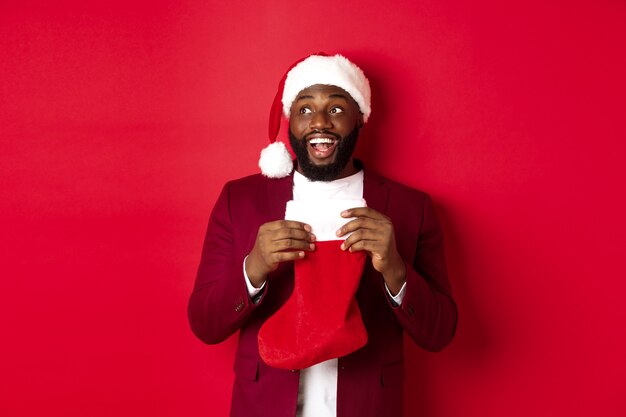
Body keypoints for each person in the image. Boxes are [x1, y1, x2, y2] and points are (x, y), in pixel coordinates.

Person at [188, 53, 457, 417]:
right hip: (265, 405)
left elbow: (439, 332)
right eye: (305, 109)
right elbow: (205, 324)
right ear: (289, 121)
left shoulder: (411, 207)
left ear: (359, 117)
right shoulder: (241, 200)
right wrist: (254, 269)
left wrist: (395, 269)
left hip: (367, 406)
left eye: (335, 109)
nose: (319, 122)